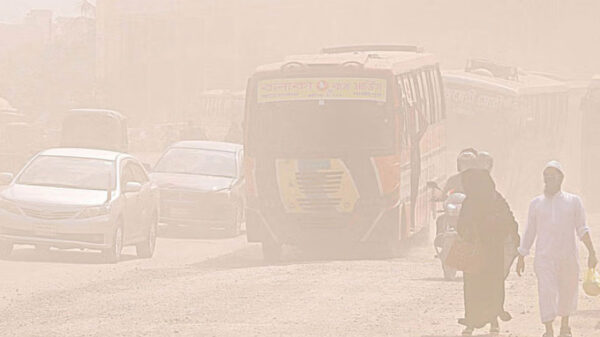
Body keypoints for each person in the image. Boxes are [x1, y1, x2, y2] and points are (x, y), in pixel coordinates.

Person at [516, 161, 598, 337]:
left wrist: (591, 251)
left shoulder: (573, 201)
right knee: (546, 291)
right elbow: (530, 231)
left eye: (552, 177)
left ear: (561, 178)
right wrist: (522, 254)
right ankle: (548, 330)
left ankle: (565, 326)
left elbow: (582, 229)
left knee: (567, 290)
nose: (548, 180)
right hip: (544, 258)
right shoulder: (536, 204)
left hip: (567, 255)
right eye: (546, 177)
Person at [457, 169, 519, 336]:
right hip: (485, 252)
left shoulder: (490, 200)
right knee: (484, 287)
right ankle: (480, 321)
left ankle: (486, 321)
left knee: (482, 287)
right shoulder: (481, 200)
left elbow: (508, 219)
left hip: (486, 252)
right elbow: (461, 225)